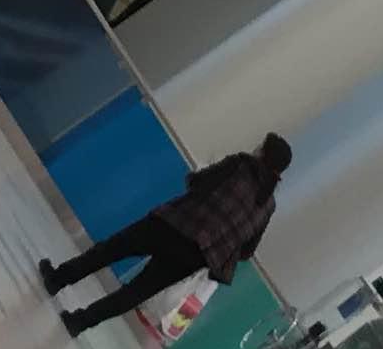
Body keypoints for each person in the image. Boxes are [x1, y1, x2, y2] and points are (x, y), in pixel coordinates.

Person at [40, 134, 294, 335]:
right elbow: (247, 252)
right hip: (196, 257)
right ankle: (79, 322)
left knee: (111, 250)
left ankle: (58, 279)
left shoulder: (240, 164)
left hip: (173, 225)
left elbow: (197, 182)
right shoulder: (268, 206)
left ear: (263, 153)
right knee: (135, 292)